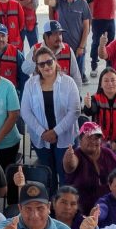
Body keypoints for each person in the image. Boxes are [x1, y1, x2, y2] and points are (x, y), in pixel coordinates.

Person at [20, 46, 81, 188]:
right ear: (37, 67)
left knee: (66, 175)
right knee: (48, 176)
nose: (46, 66)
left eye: (49, 62)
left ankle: (65, 206)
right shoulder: (30, 84)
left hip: (65, 138)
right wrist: (43, 132)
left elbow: (75, 111)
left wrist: (55, 132)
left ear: (55, 61)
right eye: (41, 64)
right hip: (41, 139)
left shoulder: (68, 82)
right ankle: (51, 206)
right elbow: (25, 112)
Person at [64, 122, 116, 214]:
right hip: (82, 209)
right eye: (89, 138)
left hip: (107, 206)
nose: (93, 141)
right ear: (80, 140)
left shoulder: (107, 153)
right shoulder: (76, 154)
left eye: (96, 138)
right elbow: (70, 167)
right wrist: (69, 158)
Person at [83, 68, 116, 160]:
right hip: (100, 144)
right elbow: (90, 111)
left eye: (113, 80)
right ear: (101, 84)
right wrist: (88, 106)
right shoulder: (95, 98)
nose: (110, 83)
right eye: (106, 80)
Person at [44, 0, 91, 79]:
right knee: (61, 76)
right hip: (62, 49)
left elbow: (86, 27)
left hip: (78, 49)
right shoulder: (58, 0)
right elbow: (47, 2)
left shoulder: (83, 3)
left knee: (77, 77)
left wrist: (81, 47)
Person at [20, 20, 83, 88]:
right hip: (42, 94)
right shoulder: (36, 49)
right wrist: (33, 60)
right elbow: (25, 70)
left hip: (64, 94)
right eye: (55, 34)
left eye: (60, 34)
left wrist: (77, 95)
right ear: (46, 36)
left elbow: (76, 76)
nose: (59, 37)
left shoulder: (68, 49)